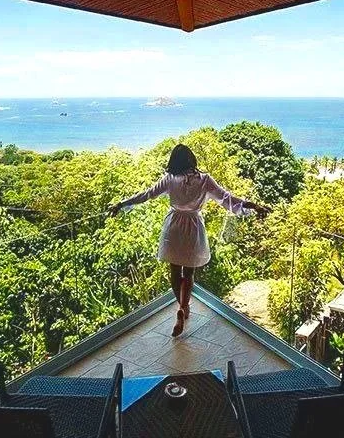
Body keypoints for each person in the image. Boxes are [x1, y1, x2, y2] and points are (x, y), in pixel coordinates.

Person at [109, 144, 269, 337]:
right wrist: (254, 207)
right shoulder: (204, 180)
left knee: (175, 272)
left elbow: (147, 194)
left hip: (174, 227)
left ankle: (182, 307)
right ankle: (184, 307)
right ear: (192, 160)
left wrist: (122, 204)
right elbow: (228, 199)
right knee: (189, 272)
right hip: (193, 227)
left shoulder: (170, 179)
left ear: (174, 162)